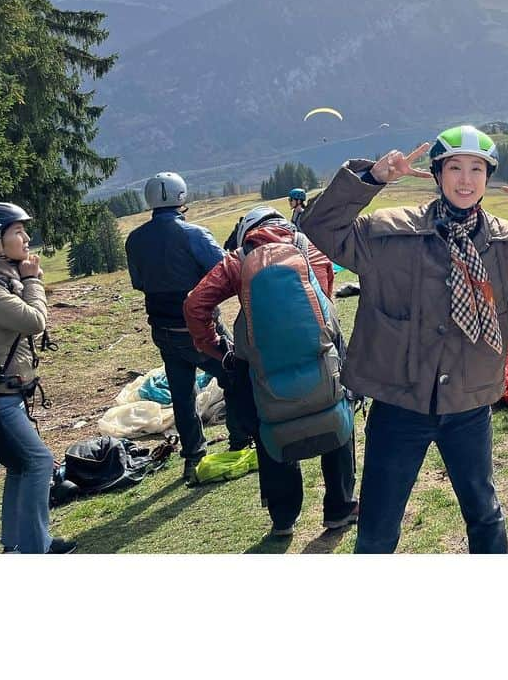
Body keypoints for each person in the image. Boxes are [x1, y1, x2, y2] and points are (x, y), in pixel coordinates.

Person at [300, 124, 508, 554]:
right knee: (378, 527)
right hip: (399, 404)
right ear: (437, 173)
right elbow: (321, 228)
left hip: (469, 407)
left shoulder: (504, 245)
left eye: (477, 169)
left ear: (488, 179)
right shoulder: (388, 234)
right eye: (455, 167)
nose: (466, 180)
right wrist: (371, 179)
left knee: (485, 516)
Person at [183, 204, 358, 538]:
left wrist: (217, 348)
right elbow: (326, 306)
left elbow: (195, 304)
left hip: (262, 364)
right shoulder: (311, 250)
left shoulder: (238, 260)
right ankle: (340, 506)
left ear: (247, 230)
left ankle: (283, 518)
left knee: (271, 427)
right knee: (337, 416)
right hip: (320, 358)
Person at [124, 172, 251, 482]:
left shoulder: (135, 239)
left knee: (182, 392)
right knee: (234, 375)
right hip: (199, 329)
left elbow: (139, 282)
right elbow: (226, 273)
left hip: (162, 329)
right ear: (181, 198)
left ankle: (193, 457)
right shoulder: (194, 234)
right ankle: (239, 442)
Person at [0, 202, 76, 553]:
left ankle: (16, 547)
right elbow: (34, 321)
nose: (26, 238)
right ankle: (37, 548)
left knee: (21, 465)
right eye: (17, 232)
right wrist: (33, 280)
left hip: (3, 394)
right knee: (37, 462)